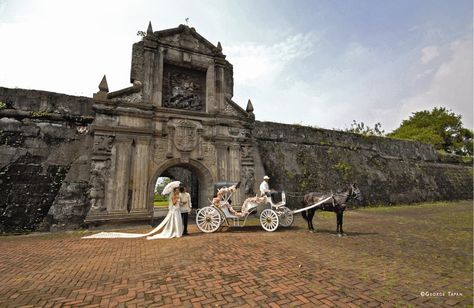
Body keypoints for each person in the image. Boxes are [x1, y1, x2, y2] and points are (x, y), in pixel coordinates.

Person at [82, 186, 183, 239]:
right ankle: (174, 232)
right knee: (174, 220)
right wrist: (177, 199)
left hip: (177, 210)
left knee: (177, 220)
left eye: (178, 191)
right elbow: (173, 203)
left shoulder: (177, 196)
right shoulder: (175, 196)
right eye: (177, 191)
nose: (178, 192)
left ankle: (177, 231)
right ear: (175, 192)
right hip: (175, 210)